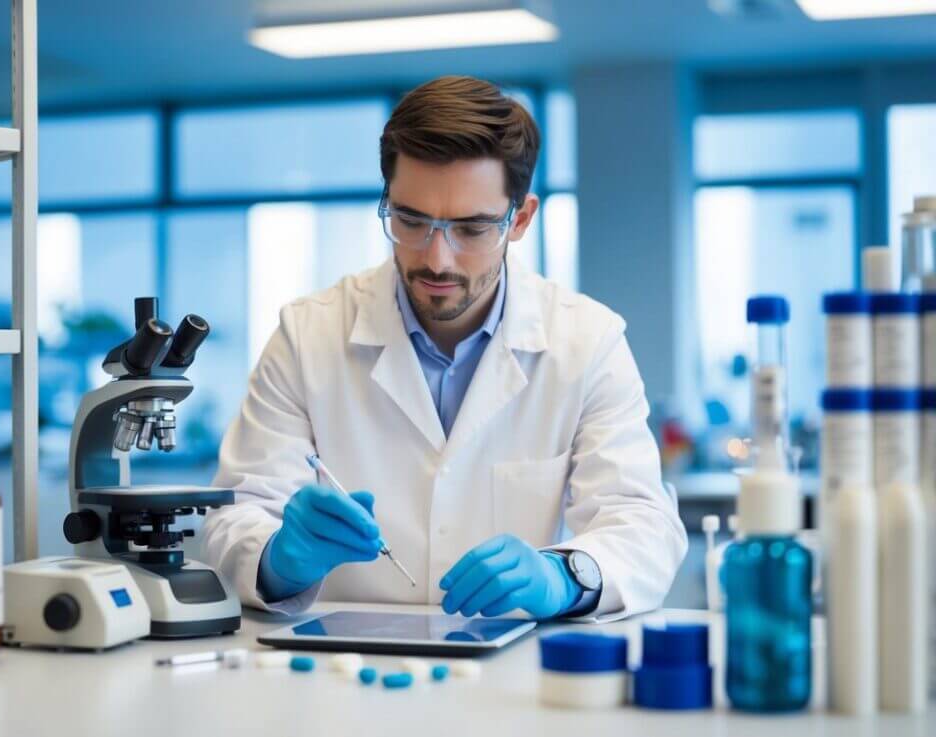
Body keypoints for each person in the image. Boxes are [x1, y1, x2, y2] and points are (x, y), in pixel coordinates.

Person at [202, 76, 687, 621]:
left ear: (520, 219)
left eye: (472, 228)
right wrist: (279, 560)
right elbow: (235, 518)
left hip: (513, 677)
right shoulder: (307, 337)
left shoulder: (588, 342)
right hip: (339, 676)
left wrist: (563, 575)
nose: (438, 259)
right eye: (411, 221)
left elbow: (642, 523)